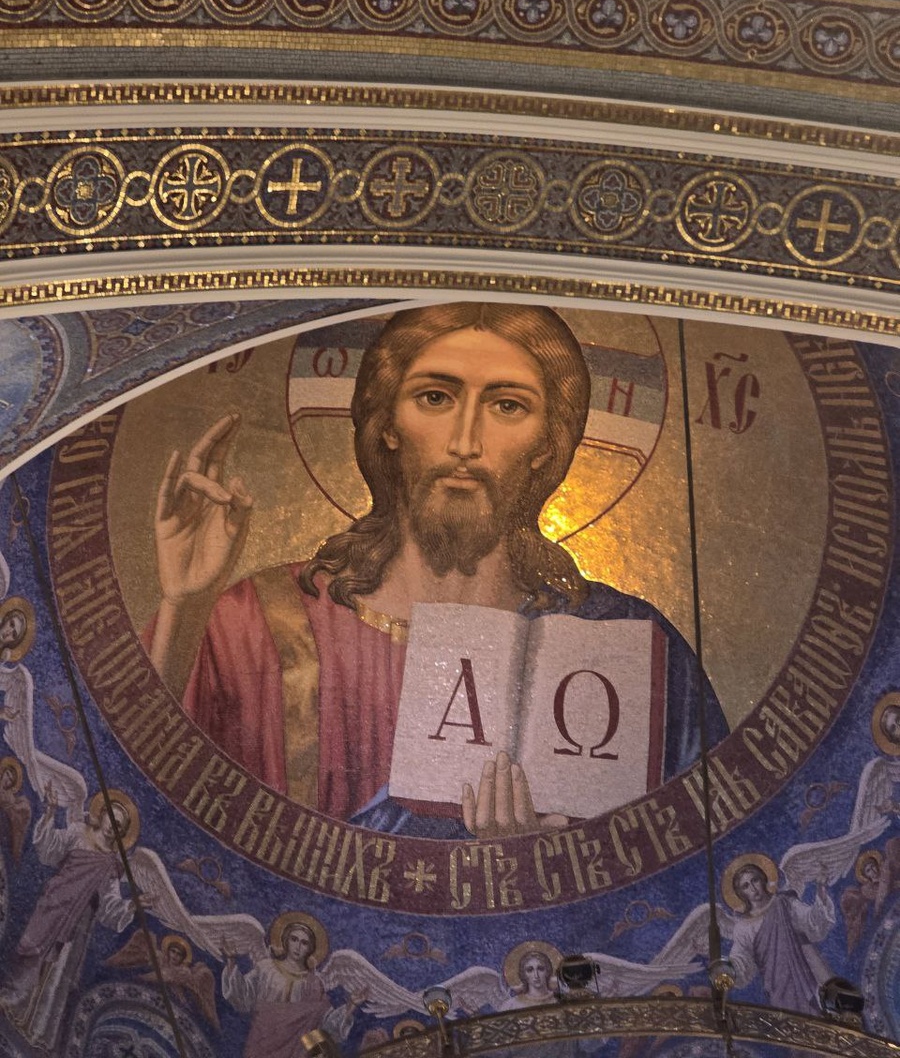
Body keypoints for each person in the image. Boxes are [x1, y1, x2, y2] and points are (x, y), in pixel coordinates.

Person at [148, 303, 727, 838]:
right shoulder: (255, 622)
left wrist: (544, 867)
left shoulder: (629, 645)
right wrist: (184, 606)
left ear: (546, 444)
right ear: (388, 424)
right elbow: (148, 818)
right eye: (435, 398)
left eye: (507, 406)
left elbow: (699, 859)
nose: (464, 442)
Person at [0, 786, 139, 1049]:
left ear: (122, 833)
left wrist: (132, 905)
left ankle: (39, 1029)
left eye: (119, 826)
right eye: (112, 819)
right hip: (55, 902)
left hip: (78, 922)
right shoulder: (78, 832)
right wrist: (50, 813)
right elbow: (49, 851)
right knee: (34, 952)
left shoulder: (111, 864)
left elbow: (110, 905)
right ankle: (13, 999)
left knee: (59, 970)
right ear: (103, 814)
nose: (113, 827)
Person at [222, 916, 361, 1058]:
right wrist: (231, 962)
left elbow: (324, 1025)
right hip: (261, 1041)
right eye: (294, 939)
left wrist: (351, 1005)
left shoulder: (313, 983)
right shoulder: (266, 969)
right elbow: (243, 997)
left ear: (310, 949)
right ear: (286, 940)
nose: (298, 946)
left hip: (297, 1050)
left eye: (304, 943)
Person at [726, 860, 835, 1014]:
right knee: (789, 1017)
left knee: (817, 1010)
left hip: (804, 971)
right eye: (746, 886)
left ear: (763, 879)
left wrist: (821, 892)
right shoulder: (743, 927)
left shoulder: (784, 903)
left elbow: (812, 922)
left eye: (755, 880)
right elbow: (741, 959)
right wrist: (728, 969)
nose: (753, 888)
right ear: (741, 893)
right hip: (777, 982)